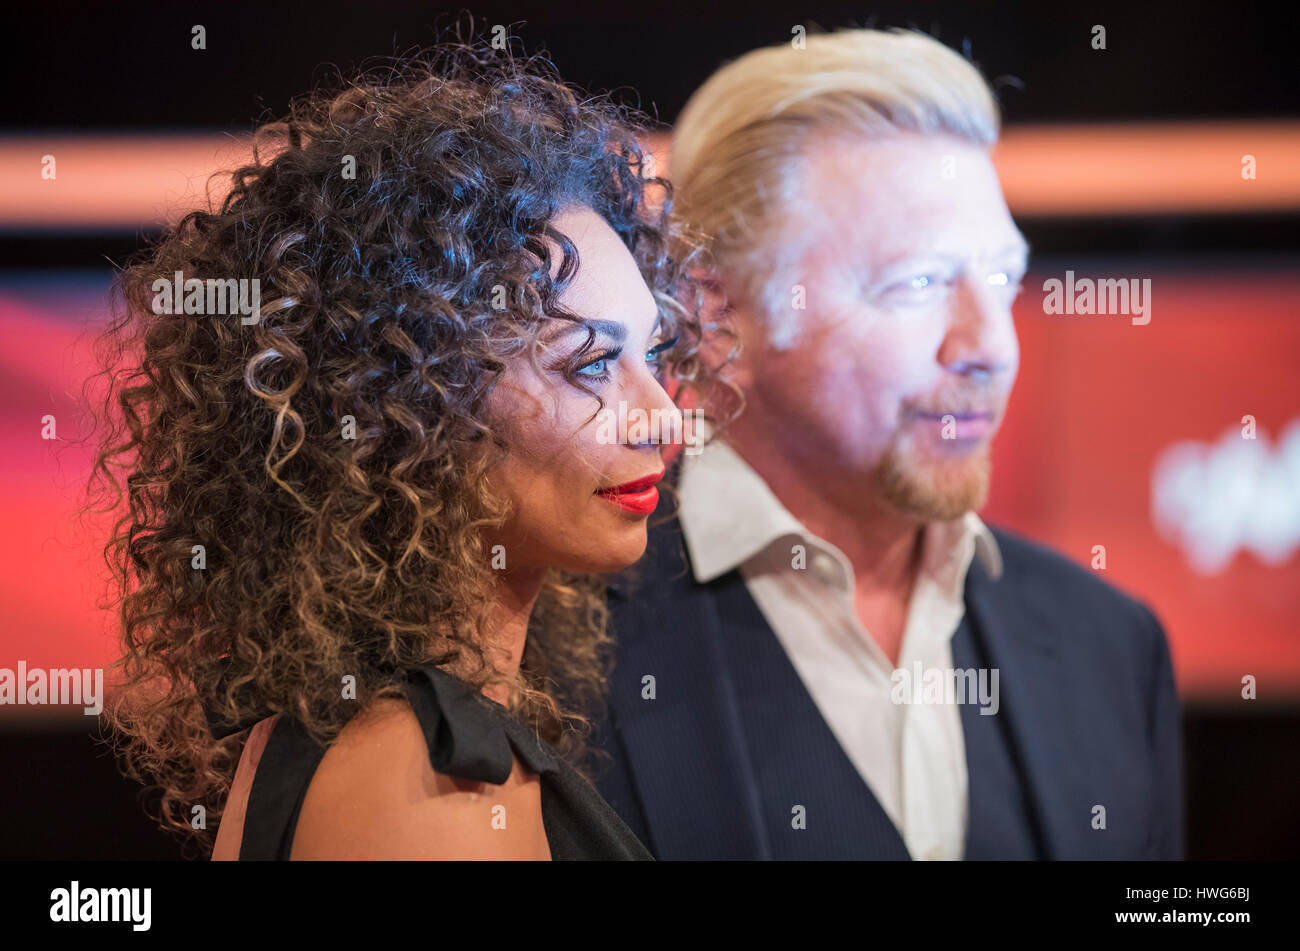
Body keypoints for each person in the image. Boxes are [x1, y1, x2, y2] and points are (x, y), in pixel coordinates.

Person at [87, 42, 719, 860]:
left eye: (653, 353)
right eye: (592, 364)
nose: (664, 417)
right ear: (417, 397)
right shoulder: (420, 776)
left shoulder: (400, 732)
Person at [590, 27, 1184, 860]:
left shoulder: (1110, 647)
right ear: (716, 316)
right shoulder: (551, 642)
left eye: (1002, 279)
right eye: (919, 283)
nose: (992, 345)